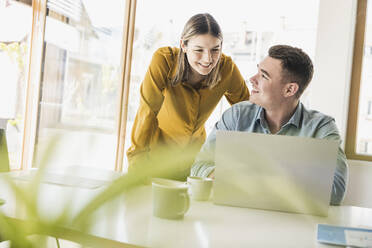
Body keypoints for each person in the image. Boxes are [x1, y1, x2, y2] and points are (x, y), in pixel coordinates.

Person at [191, 45, 348, 205]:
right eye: (258, 71)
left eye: (264, 76)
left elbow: (335, 191)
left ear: (289, 89)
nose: (252, 79)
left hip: (294, 224)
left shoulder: (321, 128)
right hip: (237, 218)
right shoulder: (236, 116)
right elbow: (200, 166)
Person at [127, 13, 250, 179]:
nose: (208, 59)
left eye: (215, 50)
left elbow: (248, 112)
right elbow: (147, 111)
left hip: (195, 162)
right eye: (199, 50)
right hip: (155, 158)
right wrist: (136, 167)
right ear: (183, 45)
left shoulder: (226, 68)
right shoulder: (164, 61)